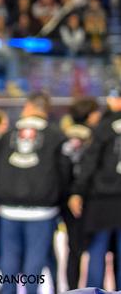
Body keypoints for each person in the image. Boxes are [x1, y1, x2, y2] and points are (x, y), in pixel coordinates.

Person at [0, 91, 71, 294]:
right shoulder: (56, 136)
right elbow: (65, 172)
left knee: (9, 261)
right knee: (34, 262)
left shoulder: (8, 135)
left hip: (9, 208)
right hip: (42, 210)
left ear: (28, 107)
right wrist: (60, 200)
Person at [69, 83, 121, 289]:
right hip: (108, 197)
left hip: (102, 198)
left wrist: (78, 191)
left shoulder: (103, 126)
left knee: (97, 250)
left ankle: (94, 292)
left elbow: (90, 162)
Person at [61, 97, 100, 290]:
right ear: (90, 115)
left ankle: (73, 290)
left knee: (73, 250)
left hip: (67, 199)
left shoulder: (63, 137)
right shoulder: (96, 137)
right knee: (97, 249)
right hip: (90, 199)